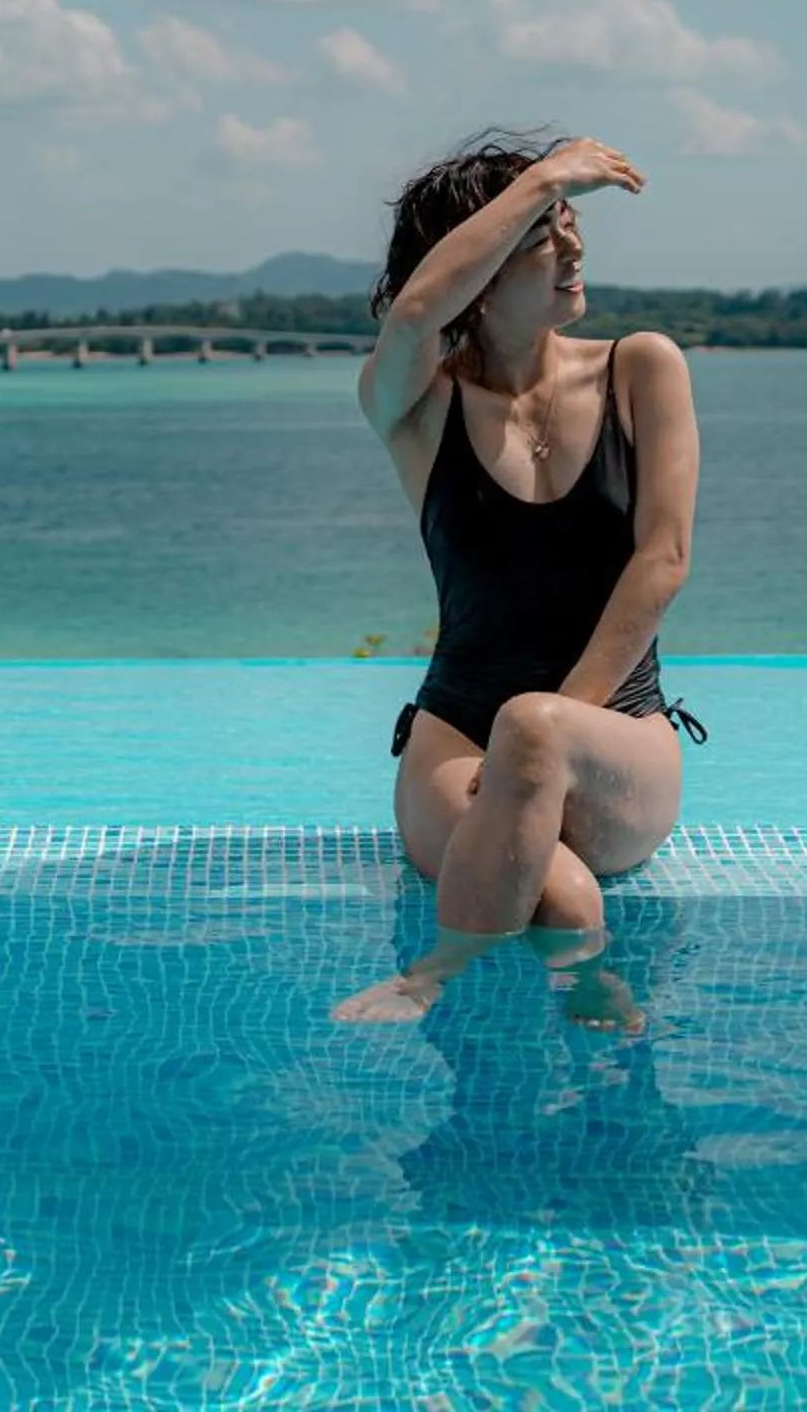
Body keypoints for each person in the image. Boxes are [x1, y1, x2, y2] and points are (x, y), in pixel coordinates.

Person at [334, 130, 705, 1028]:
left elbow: (663, 562)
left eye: (570, 220)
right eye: (543, 230)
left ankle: (435, 979)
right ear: (483, 263)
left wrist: (547, 745)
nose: (573, 246)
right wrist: (540, 177)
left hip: (618, 737)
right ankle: (549, 1059)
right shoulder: (418, 408)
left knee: (534, 728)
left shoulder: (640, 368)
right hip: (455, 742)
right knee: (569, 902)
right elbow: (415, 318)